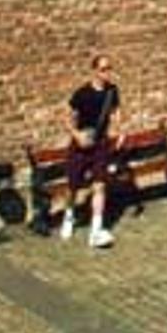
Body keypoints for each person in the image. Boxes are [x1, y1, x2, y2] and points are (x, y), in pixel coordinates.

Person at [62, 53, 121, 248]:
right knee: (72, 186)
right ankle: (69, 215)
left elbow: (115, 113)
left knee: (99, 186)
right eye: (103, 69)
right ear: (94, 71)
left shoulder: (112, 91)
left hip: (100, 144)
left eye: (109, 68)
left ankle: (95, 231)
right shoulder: (82, 94)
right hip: (81, 144)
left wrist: (119, 131)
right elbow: (67, 118)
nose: (107, 73)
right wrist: (76, 135)